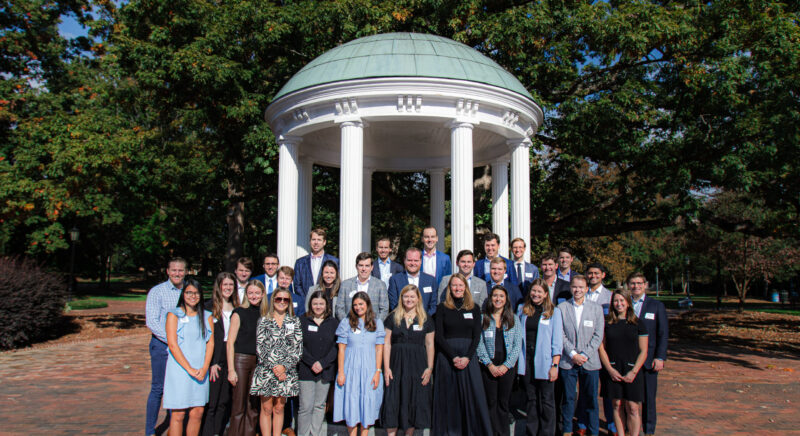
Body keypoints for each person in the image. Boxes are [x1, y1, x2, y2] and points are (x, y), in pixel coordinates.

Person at [431, 274, 492, 435]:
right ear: (449, 288)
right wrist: (453, 357)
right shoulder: (442, 308)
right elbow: (439, 336)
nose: (457, 288)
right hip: (447, 357)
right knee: (449, 398)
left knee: (472, 397)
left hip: (468, 357)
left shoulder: (474, 308)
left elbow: (477, 336)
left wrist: (467, 357)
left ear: (466, 287)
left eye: (460, 285)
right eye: (454, 286)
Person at [381, 285, 435, 435]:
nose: (409, 299)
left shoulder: (426, 319)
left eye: (412, 296)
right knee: (393, 401)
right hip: (396, 365)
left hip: (417, 366)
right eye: (406, 296)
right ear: (401, 298)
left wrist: (429, 368)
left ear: (418, 298)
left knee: (413, 400)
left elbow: (430, 344)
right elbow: (386, 343)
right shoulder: (392, 317)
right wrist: (386, 368)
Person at [163, 278, 214, 436]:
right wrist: (189, 369)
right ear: (183, 294)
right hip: (180, 370)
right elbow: (172, 344)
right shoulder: (174, 315)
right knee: (179, 414)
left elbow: (210, 343)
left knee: (197, 412)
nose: (193, 296)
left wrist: (205, 367)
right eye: (189, 292)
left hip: (200, 370)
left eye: (196, 292)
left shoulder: (206, 316)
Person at [250, 288, 303, 436]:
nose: (281, 302)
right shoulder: (264, 320)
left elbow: (297, 349)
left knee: (279, 408)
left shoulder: (294, 321)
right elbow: (261, 347)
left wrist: (284, 367)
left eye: (285, 300)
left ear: (289, 302)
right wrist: (275, 367)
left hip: (286, 372)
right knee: (266, 408)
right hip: (267, 370)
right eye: (278, 299)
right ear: (273, 300)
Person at [558, 275, 605, 436]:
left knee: (590, 399)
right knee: (569, 399)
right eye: (574, 287)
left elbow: (598, 335)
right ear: (571, 288)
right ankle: (567, 430)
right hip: (568, 361)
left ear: (586, 289)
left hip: (590, 361)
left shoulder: (596, 309)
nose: (577, 290)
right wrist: (572, 353)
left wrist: (584, 354)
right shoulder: (562, 308)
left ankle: (593, 431)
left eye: (581, 287)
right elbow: (560, 333)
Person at [334, 292, 386, 436]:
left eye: (361, 304)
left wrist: (377, 371)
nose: (358, 307)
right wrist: (341, 372)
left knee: (367, 405)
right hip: (350, 368)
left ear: (367, 304)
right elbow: (341, 349)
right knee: (352, 403)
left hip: (370, 369)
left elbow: (379, 349)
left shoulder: (377, 323)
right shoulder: (346, 322)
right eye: (355, 305)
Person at [146, 257, 187, 436]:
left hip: (184, 347)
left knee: (177, 388)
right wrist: (172, 341)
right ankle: (150, 431)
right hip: (162, 346)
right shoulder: (157, 292)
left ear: (186, 272)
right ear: (168, 271)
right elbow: (152, 322)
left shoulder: (189, 291)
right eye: (174, 270)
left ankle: (175, 429)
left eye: (181, 270)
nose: (177, 273)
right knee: (158, 388)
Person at [598, 289, 648, 436]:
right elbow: (601, 348)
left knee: (633, 407)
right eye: (616, 301)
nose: (619, 304)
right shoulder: (607, 323)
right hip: (613, 370)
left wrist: (634, 372)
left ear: (628, 302)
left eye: (622, 300)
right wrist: (610, 369)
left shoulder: (638, 323)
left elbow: (643, 351)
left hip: (633, 370)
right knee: (617, 405)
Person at [517, 278, 563, 436]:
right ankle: (532, 432)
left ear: (545, 294)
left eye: (539, 292)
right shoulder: (522, 310)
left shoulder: (554, 312)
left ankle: (547, 432)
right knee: (531, 399)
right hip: (527, 359)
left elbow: (557, 342)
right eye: (533, 291)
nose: (535, 294)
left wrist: (555, 365)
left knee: (547, 401)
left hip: (545, 361)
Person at [477, 285, 522, 436]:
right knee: (490, 402)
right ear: (490, 298)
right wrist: (489, 364)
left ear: (506, 299)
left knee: (503, 404)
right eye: (495, 296)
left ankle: (503, 433)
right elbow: (479, 343)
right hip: (488, 367)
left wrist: (506, 366)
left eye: (501, 296)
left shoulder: (513, 319)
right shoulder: (483, 318)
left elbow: (517, 345)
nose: (498, 299)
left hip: (506, 368)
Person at [627, 272, 668, 436]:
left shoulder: (656, 306)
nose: (636, 286)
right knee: (628, 399)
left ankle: (649, 430)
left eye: (639, 283)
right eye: (632, 283)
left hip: (649, 360)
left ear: (645, 285)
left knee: (649, 398)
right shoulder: (624, 303)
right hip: (628, 359)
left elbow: (662, 333)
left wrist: (660, 357)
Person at [226, 280, 264, 436]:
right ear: (246, 294)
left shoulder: (264, 314)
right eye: (251, 293)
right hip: (241, 361)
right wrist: (231, 370)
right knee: (238, 405)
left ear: (262, 294)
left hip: (258, 362)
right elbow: (230, 343)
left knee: (253, 405)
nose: (254, 296)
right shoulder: (238, 312)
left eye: (257, 293)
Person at [298, 291, 339, 436]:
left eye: (321, 303)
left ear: (326, 305)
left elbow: (336, 346)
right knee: (305, 406)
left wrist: (322, 363)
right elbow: (298, 344)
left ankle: (314, 433)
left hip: (325, 370)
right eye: (315, 303)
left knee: (319, 405)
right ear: (310, 304)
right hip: (306, 369)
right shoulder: (303, 320)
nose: (318, 306)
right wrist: (311, 362)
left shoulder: (333, 323)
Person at [202, 272, 239, 436]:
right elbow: (205, 338)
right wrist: (211, 362)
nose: (228, 288)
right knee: (212, 402)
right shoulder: (208, 308)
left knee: (225, 400)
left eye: (231, 285)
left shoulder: (238, 308)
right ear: (219, 286)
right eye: (225, 285)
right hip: (215, 357)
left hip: (231, 357)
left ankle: (218, 431)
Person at [337, 252, 389, 320]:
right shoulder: (345, 285)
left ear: (372, 267)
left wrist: (374, 326)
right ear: (356, 266)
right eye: (361, 265)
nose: (364, 269)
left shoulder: (380, 285)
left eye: (367, 266)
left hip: (373, 327)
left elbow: (384, 310)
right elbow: (339, 308)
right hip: (350, 327)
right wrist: (348, 324)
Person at [388, 248, 437, 315]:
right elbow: (393, 305)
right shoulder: (395, 280)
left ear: (421, 261)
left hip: (425, 322)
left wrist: (423, 319)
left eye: (416, 260)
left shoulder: (431, 280)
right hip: (402, 322)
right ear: (404, 261)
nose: (413, 263)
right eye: (409, 260)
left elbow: (433, 305)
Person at [294, 228, 339, 298]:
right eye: (313, 239)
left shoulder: (334, 261)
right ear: (310, 241)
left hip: (327, 301)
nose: (316, 242)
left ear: (324, 242)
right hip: (305, 302)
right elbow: (297, 285)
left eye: (319, 240)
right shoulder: (300, 262)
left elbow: (337, 282)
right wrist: (306, 300)